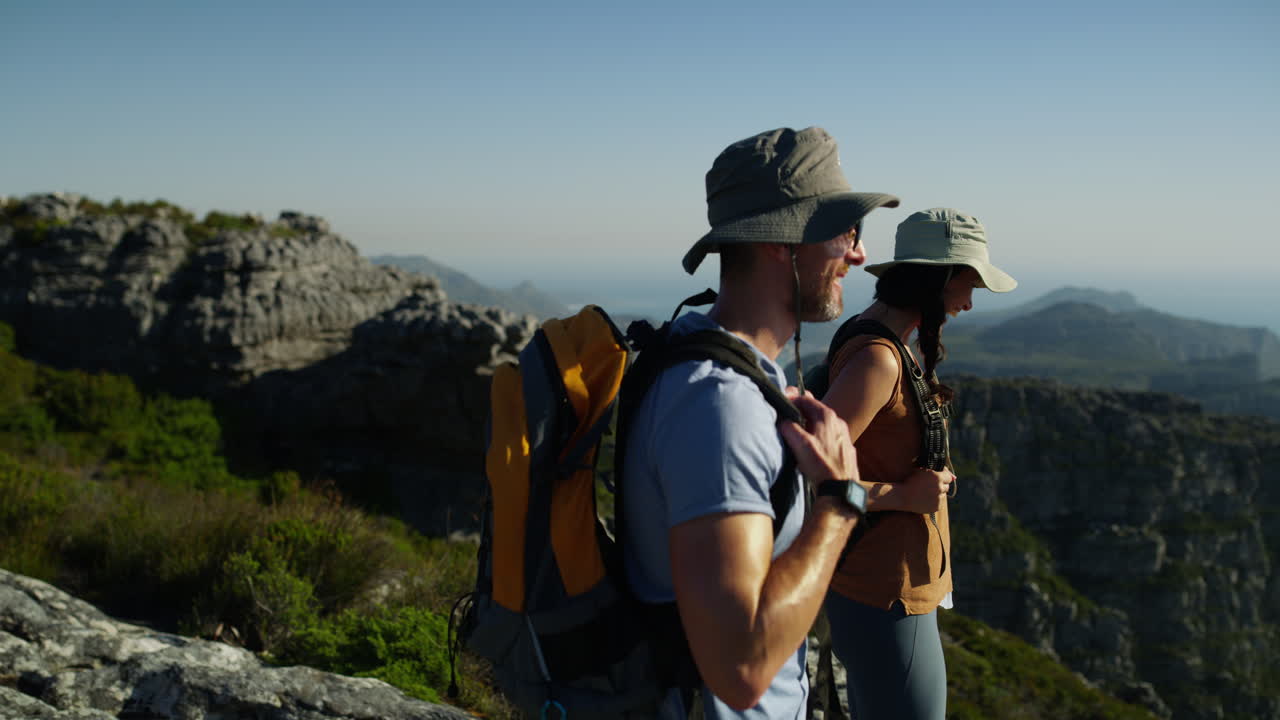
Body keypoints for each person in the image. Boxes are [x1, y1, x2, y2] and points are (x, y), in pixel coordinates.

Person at [620, 126, 899, 719]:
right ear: (781, 241)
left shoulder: (711, 364)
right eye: (846, 232)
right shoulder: (719, 405)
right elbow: (741, 669)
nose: (858, 255)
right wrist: (840, 502)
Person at [819, 207, 1017, 720]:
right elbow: (811, 480)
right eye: (969, 285)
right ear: (941, 279)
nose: (969, 303)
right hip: (886, 591)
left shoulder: (877, 338)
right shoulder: (878, 358)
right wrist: (903, 496)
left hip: (883, 589)